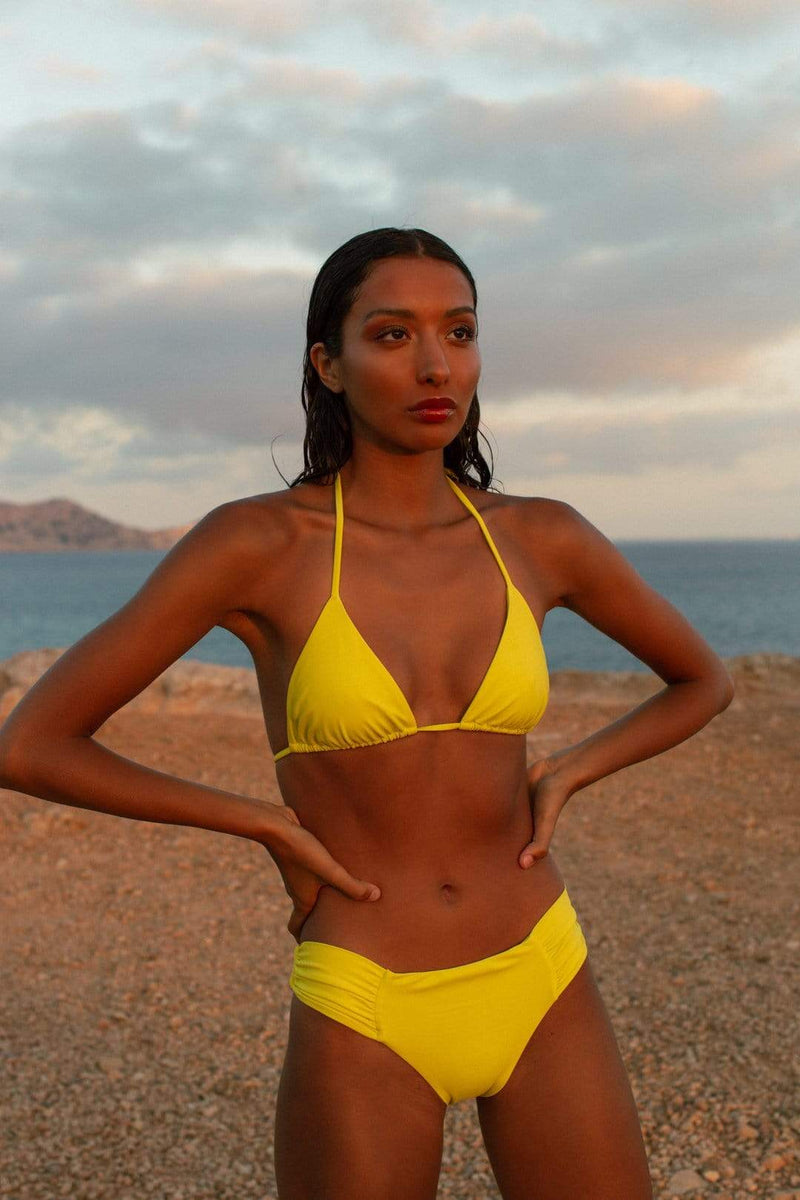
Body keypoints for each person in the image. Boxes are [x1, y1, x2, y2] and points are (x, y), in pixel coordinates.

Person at [0, 226, 733, 1200]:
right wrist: (262, 822)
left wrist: (568, 769)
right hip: (365, 993)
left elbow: (702, 680)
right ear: (327, 365)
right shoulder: (258, 544)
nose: (435, 363)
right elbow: (34, 744)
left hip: (541, 964)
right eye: (391, 335)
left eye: (459, 332)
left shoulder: (539, 536)